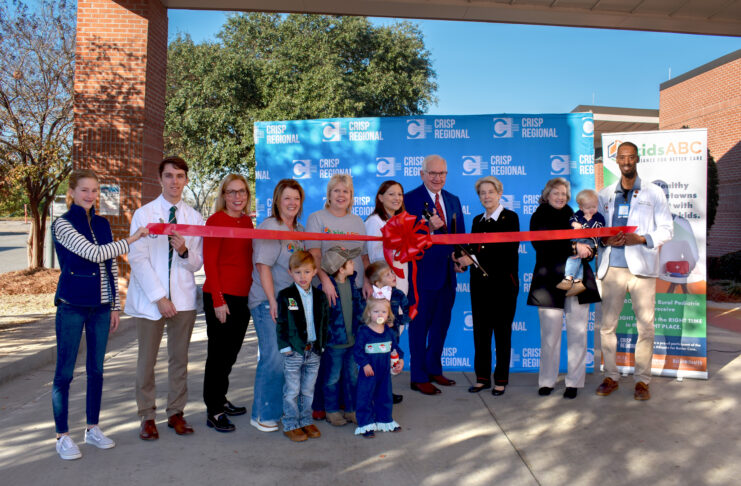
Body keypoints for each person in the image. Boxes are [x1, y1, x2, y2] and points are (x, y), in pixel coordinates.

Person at [50, 169, 149, 460]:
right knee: (64, 373)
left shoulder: (103, 223)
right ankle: (62, 436)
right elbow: (93, 253)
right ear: (72, 192)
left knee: (96, 370)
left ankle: (92, 428)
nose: (91, 196)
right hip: (72, 305)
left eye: (94, 190)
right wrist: (132, 239)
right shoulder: (63, 224)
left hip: (101, 308)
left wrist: (115, 305)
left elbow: (110, 266)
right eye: (84, 190)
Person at [126, 156, 204, 440]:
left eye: (180, 176)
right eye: (169, 175)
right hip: (151, 301)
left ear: (186, 180)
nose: (174, 181)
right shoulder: (144, 214)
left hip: (183, 301)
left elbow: (197, 264)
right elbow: (138, 259)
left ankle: (176, 413)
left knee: (179, 361)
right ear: (160, 179)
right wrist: (159, 297)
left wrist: (184, 251)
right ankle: (147, 416)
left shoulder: (194, 218)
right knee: (146, 361)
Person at [596, 141, 673, 401]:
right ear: (616, 161)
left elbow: (666, 229)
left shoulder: (653, 193)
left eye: (630, 157)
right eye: (622, 158)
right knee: (607, 327)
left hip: (642, 269)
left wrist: (640, 239)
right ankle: (611, 376)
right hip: (613, 270)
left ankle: (642, 380)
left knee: (646, 328)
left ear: (637, 159)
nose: (626, 162)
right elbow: (596, 230)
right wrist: (605, 240)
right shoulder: (604, 194)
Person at [527, 177, 601, 399]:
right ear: (547, 194)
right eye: (556, 193)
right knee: (549, 336)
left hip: (577, 280)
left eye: (563, 193)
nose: (560, 197)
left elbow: (593, 242)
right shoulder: (539, 215)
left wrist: (589, 249)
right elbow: (542, 245)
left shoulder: (576, 215)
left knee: (578, 333)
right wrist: (573, 246)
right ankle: (547, 381)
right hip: (548, 283)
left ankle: (574, 383)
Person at [305, 174, 369, 418]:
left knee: (351, 351)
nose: (341, 195)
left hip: (353, 291)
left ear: (351, 197)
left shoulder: (357, 221)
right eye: (337, 191)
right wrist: (324, 281)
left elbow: (363, 257)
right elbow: (314, 256)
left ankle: (347, 404)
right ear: (329, 194)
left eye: (346, 192)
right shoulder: (317, 218)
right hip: (327, 289)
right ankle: (322, 405)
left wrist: (366, 284)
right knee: (328, 351)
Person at [403, 154, 465, 395]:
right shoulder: (408, 200)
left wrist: (461, 259)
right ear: (422, 174)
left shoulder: (453, 200)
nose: (437, 178)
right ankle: (418, 376)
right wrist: (425, 227)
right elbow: (403, 239)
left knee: (441, 325)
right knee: (419, 327)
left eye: (442, 173)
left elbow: (459, 236)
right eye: (432, 173)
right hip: (420, 275)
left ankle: (433, 368)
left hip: (448, 274)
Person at [248, 179, 306, 432]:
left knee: (287, 359)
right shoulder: (271, 227)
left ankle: (279, 409)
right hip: (267, 302)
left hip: (290, 304)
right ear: (277, 202)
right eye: (287, 198)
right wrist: (272, 302)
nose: (292, 203)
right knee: (272, 357)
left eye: (296, 199)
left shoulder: (300, 230)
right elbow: (264, 268)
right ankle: (262, 414)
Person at [456, 176, 519, 396]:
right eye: (482, 193)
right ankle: (482, 377)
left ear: (500, 193)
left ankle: (501, 379)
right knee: (481, 333)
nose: (486, 196)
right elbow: (471, 249)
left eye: (490, 192)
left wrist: (472, 258)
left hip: (503, 285)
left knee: (502, 333)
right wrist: (461, 263)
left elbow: (504, 251)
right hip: (480, 285)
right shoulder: (477, 221)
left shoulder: (510, 217)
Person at [201, 174, 253, 433]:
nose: (237, 197)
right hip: (220, 297)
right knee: (218, 357)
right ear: (223, 195)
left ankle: (220, 398)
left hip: (243, 298)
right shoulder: (215, 220)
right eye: (231, 192)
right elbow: (209, 262)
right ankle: (214, 410)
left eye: (241, 191)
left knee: (230, 355)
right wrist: (218, 301)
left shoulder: (247, 222)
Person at [276, 250, 330, 442]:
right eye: (298, 272)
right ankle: (291, 423)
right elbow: (281, 323)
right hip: (294, 351)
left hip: (314, 351)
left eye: (307, 272)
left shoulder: (320, 296)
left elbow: (324, 322)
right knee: (292, 390)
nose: (303, 277)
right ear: (290, 272)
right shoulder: (286, 295)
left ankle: (306, 420)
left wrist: (322, 345)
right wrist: (285, 347)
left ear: (315, 271)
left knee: (308, 390)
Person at [319, 246, 364, 426]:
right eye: (350, 262)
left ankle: (351, 409)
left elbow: (359, 310)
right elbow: (322, 318)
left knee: (352, 377)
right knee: (332, 378)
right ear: (341, 268)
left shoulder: (353, 284)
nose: (354, 263)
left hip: (352, 343)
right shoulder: (326, 290)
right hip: (334, 345)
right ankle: (331, 410)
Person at [353, 298, 404, 438]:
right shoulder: (364, 332)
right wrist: (365, 364)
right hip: (369, 371)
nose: (380, 315)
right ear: (369, 313)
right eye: (376, 311)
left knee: (385, 395)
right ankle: (365, 424)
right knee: (365, 396)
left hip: (384, 371)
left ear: (388, 314)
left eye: (383, 312)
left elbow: (395, 348)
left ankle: (384, 420)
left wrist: (400, 360)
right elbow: (357, 351)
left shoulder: (389, 332)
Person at [365, 260, 410, 404]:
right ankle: (370, 394)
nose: (393, 275)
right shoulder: (369, 296)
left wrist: (395, 321)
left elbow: (409, 314)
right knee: (373, 366)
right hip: (373, 340)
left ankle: (386, 393)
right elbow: (363, 317)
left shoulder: (398, 294)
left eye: (392, 272)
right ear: (378, 283)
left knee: (388, 366)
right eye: (388, 274)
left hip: (392, 337)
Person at [556, 189, 605, 296]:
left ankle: (568, 278)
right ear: (581, 208)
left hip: (590, 242)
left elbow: (600, 226)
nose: (592, 210)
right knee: (578, 258)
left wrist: (587, 222)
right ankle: (578, 282)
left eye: (594, 207)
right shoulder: (578, 214)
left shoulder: (598, 217)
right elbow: (571, 220)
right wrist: (574, 224)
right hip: (578, 240)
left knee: (574, 256)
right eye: (588, 208)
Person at [365, 180, 409, 295]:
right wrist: (400, 249)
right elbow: (373, 257)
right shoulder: (374, 221)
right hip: (383, 284)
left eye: (400, 194)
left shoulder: (401, 222)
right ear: (380, 198)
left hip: (400, 282)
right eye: (391, 194)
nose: (397, 198)